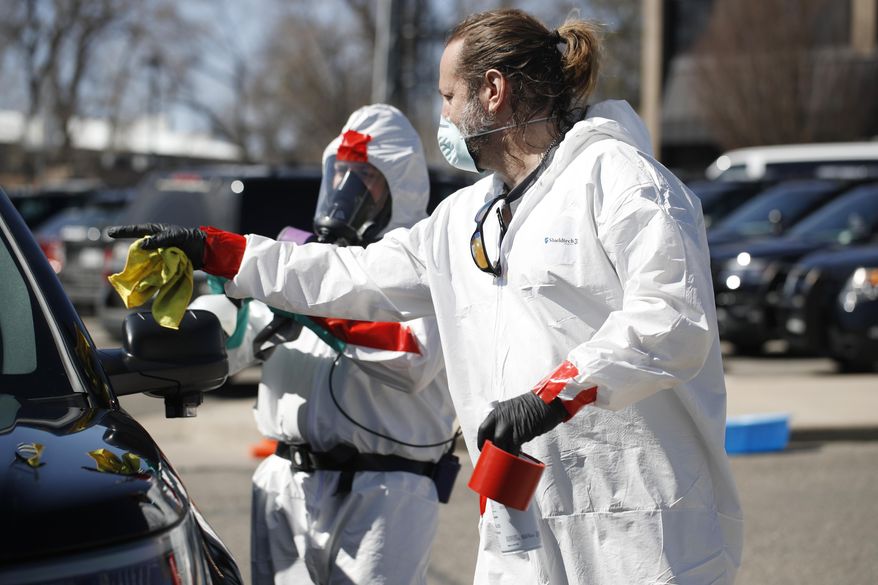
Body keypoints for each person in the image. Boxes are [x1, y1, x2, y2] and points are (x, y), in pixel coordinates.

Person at [110, 8, 743, 585]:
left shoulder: (621, 178)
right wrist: (215, 250)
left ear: (493, 92)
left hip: (635, 515)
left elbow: (672, 319)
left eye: (448, 97)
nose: (441, 117)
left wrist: (555, 393)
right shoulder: (467, 215)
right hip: (522, 514)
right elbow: (352, 276)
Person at [187, 104, 458, 585]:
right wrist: (186, 318)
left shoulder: (419, 263)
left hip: (385, 492)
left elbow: (410, 356)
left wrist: (310, 308)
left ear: (400, 188)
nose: (344, 193)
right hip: (286, 478)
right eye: (339, 175)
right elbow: (230, 345)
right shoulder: (299, 262)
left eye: (364, 181)